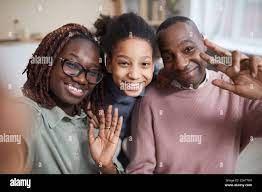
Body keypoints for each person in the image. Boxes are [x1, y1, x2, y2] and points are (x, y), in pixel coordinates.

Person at [126, 16, 262, 174]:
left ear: (204, 44)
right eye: (169, 57)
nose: (181, 64)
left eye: (188, 49)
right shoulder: (150, 101)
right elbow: (140, 169)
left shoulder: (236, 90)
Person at [19, 23, 123, 174]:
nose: (82, 79)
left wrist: (107, 167)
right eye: (72, 65)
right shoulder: (25, 116)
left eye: (93, 72)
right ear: (50, 62)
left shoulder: (94, 123)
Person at [88, 13, 157, 168]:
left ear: (153, 65)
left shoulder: (159, 83)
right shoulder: (95, 93)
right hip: (106, 154)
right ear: (109, 63)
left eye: (144, 64)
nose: (134, 75)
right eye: (124, 63)